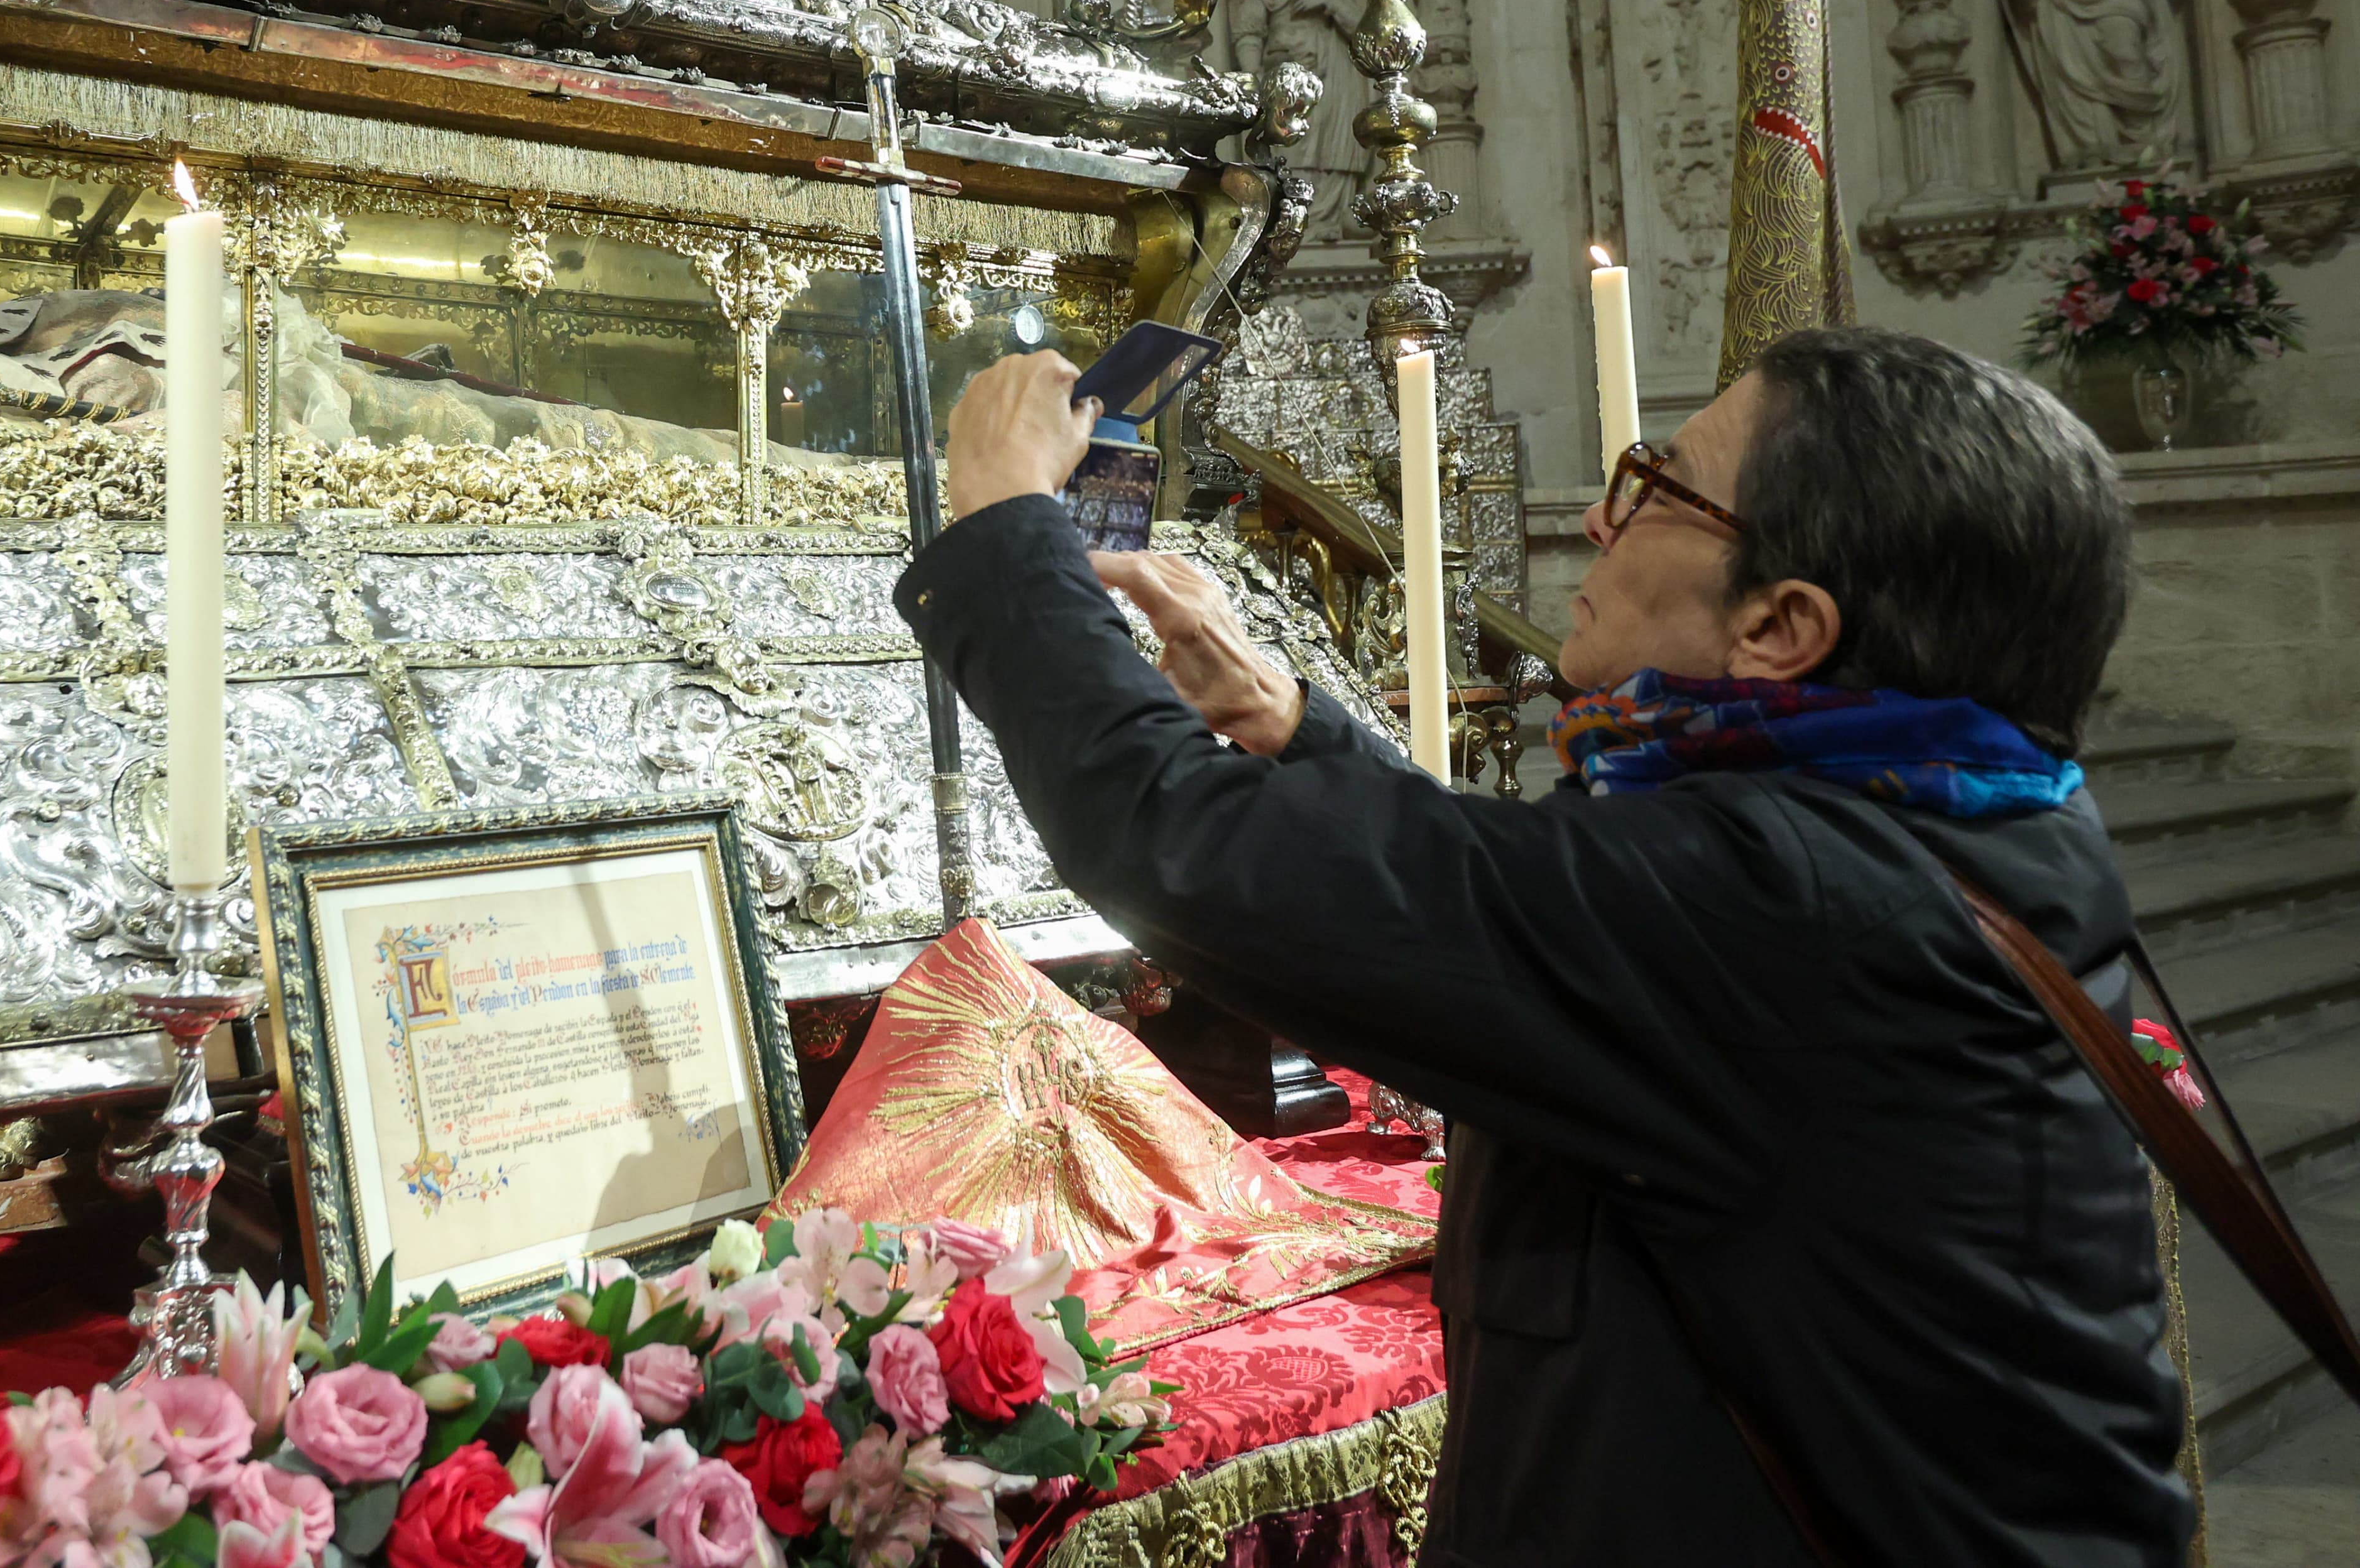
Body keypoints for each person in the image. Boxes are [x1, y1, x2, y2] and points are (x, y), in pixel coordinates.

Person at [897, 326, 2187, 1567]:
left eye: (1659, 491)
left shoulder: (1799, 898)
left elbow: (1183, 851)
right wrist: (1302, 734)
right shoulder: (1942, 813)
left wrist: (1007, 529)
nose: (1597, 520)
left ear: (1781, 628)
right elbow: (1565, 909)